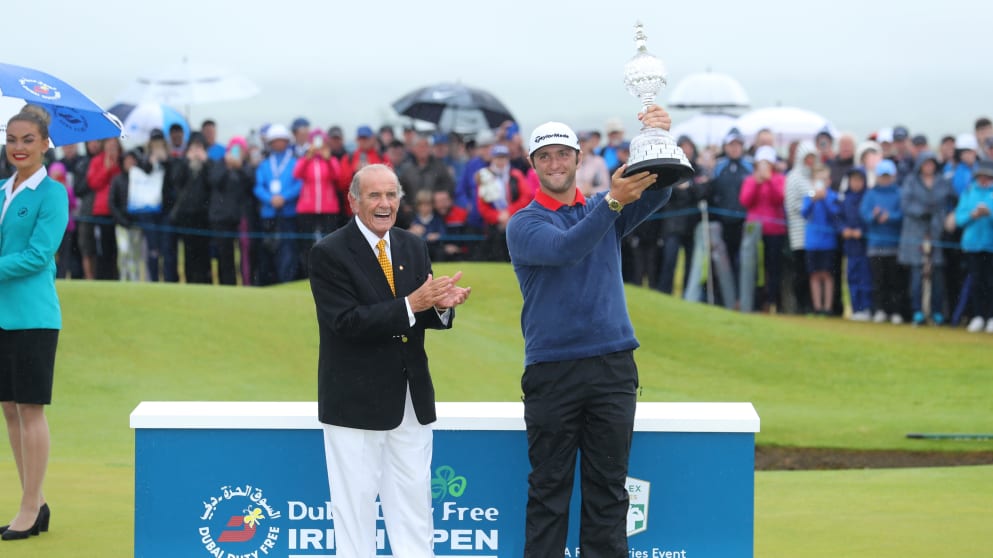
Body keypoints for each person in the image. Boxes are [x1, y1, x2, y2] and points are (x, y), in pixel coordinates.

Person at [505, 105, 672, 557]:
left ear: (578, 159)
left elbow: (659, 191)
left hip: (613, 366)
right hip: (552, 371)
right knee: (549, 492)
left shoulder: (602, 209)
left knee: (609, 492)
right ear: (534, 165)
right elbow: (566, 249)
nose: (555, 164)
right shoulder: (525, 224)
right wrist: (613, 201)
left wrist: (655, 139)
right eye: (545, 157)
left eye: (563, 154)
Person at [308, 163, 470, 558]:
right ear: (353, 201)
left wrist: (441, 307)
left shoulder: (412, 245)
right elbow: (345, 322)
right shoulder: (328, 252)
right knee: (355, 515)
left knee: (415, 509)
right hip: (354, 404)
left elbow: (418, 316)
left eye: (391, 195)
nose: (384, 204)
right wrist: (412, 305)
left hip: (411, 402)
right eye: (374, 196)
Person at [0, 105, 67, 541]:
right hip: (2, 315)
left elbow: (38, 255)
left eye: (28, 140)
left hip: (33, 316)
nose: (18, 147)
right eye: (12, 139)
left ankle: (29, 506)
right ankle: (35, 501)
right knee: (8, 408)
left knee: (29, 408)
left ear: (45, 144)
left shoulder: (53, 193)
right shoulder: (4, 189)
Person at [898, 152, 953, 325]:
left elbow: (949, 201)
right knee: (916, 275)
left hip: (935, 232)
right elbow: (905, 204)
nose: (929, 167)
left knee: (936, 275)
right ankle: (917, 311)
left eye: (931, 164)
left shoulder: (942, 182)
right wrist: (922, 211)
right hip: (915, 233)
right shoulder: (911, 181)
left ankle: (936, 311)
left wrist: (942, 217)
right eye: (926, 164)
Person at [739, 145, 787, 311]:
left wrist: (769, 180)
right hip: (754, 230)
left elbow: (779, 199)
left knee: (772, 267)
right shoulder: (750, 180)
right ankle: (754, 301)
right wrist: (757, 183)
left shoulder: (779, 179)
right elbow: (745, 201)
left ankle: (771, 301)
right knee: (753, 267)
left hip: (775, 231)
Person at [254, 124, 301, 285]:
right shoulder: (265, 164)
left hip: (288, 213)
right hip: (269, 214)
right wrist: (270, 199)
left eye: (281, 140)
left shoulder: (295, 162)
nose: (278, 144)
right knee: (268, 250)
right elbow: (258, 186)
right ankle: (271, 282)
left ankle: (287, 280)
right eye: (274, 141)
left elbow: (299, 184)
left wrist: (284, 197)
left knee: (288, 251)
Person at [860, 159, 905, 324]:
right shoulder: (871, 194)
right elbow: (864, 214)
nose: (885, 179)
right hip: (875, 245)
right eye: (882, 176)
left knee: (895, 281)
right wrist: (875, 216)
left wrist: (889, 217)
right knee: (878, 281)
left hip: (894, 245)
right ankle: (879, 310)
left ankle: (895, 311)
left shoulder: (899, 193)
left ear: (893, 176)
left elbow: (902, 214)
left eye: (887, 176)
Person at [207, 137, 254, 285]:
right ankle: (227, 284)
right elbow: (214, 181)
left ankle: (247, 283)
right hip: (221, 218)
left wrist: (239, 167)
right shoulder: (220, 164)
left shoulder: (245, 167)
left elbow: (250, 183)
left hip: (241, 218)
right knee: (224, 255)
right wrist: (227, 166)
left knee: (246, 254)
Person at [953, 160, 993, 333]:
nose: (984, 180)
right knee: (976, 283)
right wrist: (973, 215)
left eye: (988, 176)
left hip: (991, 246)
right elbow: (959, 219)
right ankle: (978, 316)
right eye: (981, 176)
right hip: (972, 246)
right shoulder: (969, 192)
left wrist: (989, 214)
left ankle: (991, 317)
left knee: (991, 283)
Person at [474, 144, 531, 261]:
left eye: (503, 158)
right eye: (498, 158)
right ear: (493, 159)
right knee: (497, 254)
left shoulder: (516, 175)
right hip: (494, 225)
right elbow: (482, 205)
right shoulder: (485, 176)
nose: (501, 161)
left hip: (515, 220)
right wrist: (498, 217)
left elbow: (526, 197)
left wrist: (509, 213)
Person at [801, 165, 840, 316]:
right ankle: (817, 307)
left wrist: (824, 200)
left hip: (828, 243)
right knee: (814, 274)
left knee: (827, 274)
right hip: (812, 242)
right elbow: (804, 213)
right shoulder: (809, 197)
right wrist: (813, 200)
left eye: (824, 179)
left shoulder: (832, 197)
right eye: (818, 180)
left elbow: (835, 215)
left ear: (829, 181)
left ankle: (828, 307)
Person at [839, 168, 872, 321]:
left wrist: (862, 231)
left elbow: (869, 219)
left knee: (865, 277)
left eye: (859, 180)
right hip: (850, 246)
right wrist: (843, 229)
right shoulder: (845, 199)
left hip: (864, 245)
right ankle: (855, 307)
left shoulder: (867, 197)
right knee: (852, 277)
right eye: (853, 180)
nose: (856, 183)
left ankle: (866, 308)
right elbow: (838, 219)